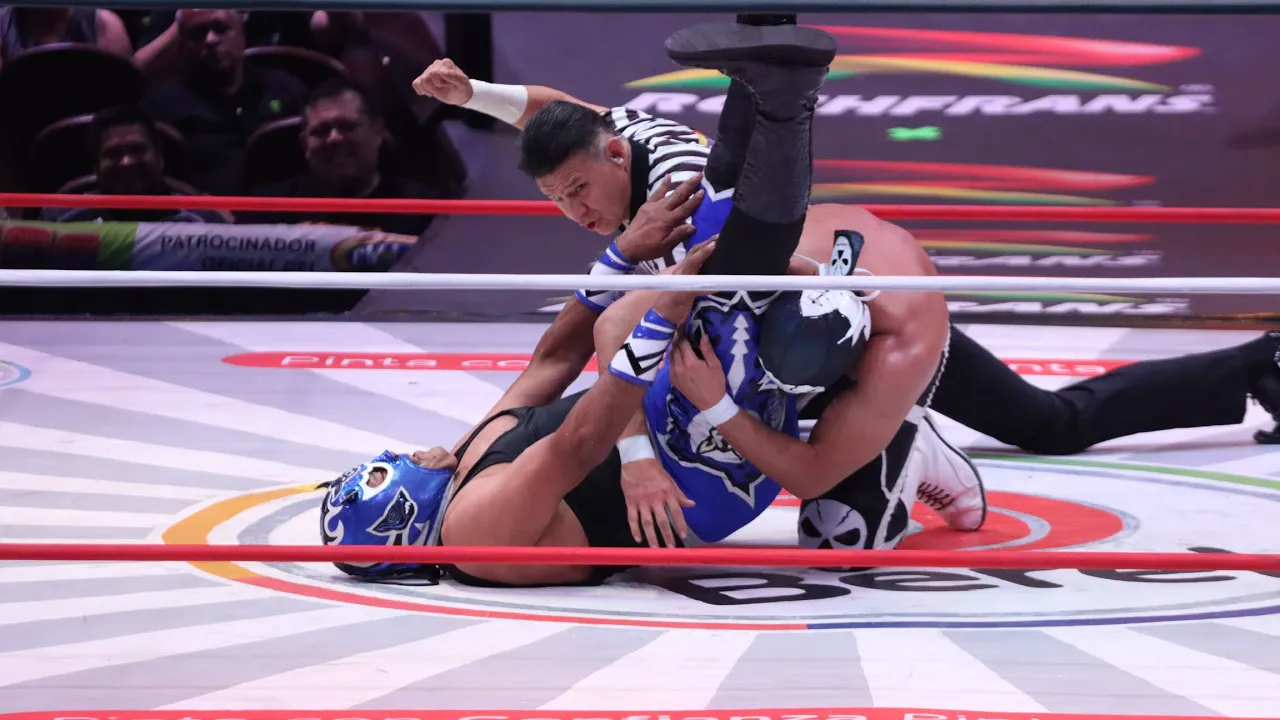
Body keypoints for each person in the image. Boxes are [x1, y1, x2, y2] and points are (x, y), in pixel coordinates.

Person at [411, 20, 1280, 502]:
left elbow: (596, 345)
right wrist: (477, 94)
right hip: (799, 325)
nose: (574, 210)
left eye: (577, 190)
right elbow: (557, 112)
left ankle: (1258, 366)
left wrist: (621, 272)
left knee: (1049, 424)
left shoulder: (667, 202)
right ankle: (761, 68)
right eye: (555, 199)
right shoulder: (620, 135)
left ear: (611, 158)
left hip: (844, 330)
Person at [321, 21, 946, 586]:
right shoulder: (472, 534)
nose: (396, 458)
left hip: (676, 401)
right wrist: (668, 400)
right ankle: (785, 91)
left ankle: (770, 54)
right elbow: (578, 442)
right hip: (699, 477)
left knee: (719, 293)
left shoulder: (465, 465)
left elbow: (553, 359)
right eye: (379, 476)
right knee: (722, 299)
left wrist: (621, 259)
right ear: (399, 521)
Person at [239, 79, 439, 237]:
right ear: (304, 144)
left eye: (347, 126)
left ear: (377, 132)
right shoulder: (268, 211)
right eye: (321, 131)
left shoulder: (425, 211)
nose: (334, 138)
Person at [39, 105, 227, 224]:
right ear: (96, 167)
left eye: (137, 150)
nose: (127, 162)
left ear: (160, 158)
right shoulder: (59, 221)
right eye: (113, 153)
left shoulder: (204, 222)